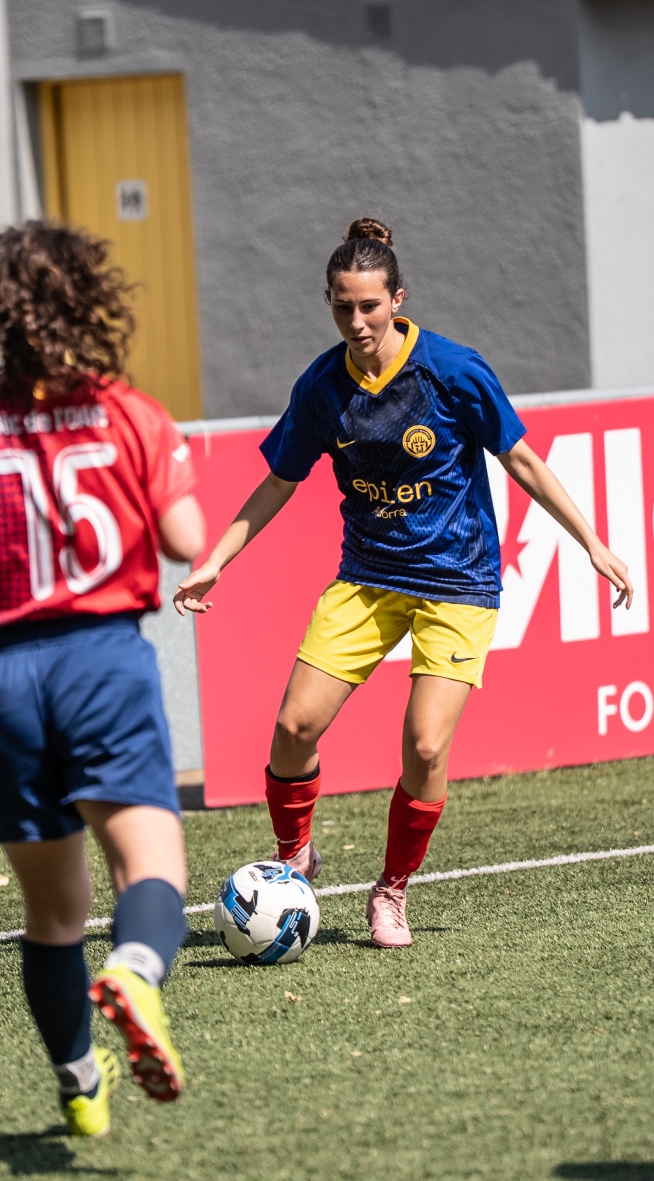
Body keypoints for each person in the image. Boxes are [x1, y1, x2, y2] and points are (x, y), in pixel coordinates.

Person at [174, 216, 633, 950]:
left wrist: (592, 542)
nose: (356, 322)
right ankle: (295, 856)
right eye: (342, 307)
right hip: (368, 577)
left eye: (369, 306)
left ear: (398, 299)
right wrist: (216, 559)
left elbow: (522, 460)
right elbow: (279, 482)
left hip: (459, 581)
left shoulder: (453, 370)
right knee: (293, 729)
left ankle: (391, 890)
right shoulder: (322, 386)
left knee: (423, 748)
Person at [0, 221, 205, 1136]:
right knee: (152, 866)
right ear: (92, 303)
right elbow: (185, 539)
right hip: (103, 661)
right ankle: (135, 971)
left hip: (5, 679)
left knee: (53, 914)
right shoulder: (129, 411)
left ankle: (80, 1085)